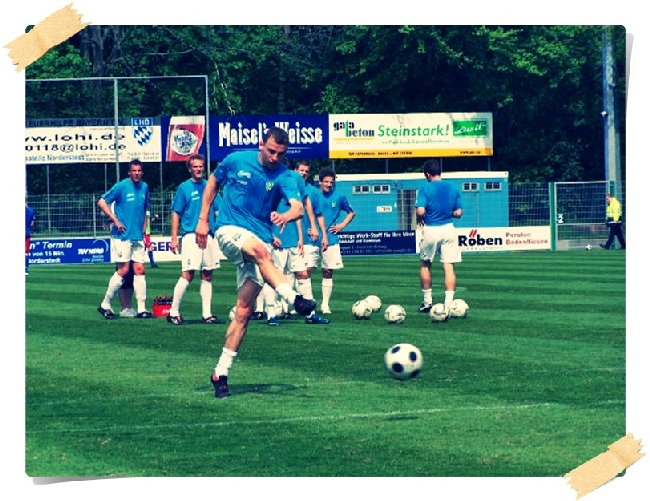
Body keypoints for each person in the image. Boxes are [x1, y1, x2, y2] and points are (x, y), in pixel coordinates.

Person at [194, 127, 317, 398]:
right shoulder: (236, 160)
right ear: (261, 144)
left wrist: (286, 215)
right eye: (271, 150)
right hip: (229, 230)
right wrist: (203, 220)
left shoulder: (286, 175)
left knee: (243, 313)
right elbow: (213, 183)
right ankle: (292, 298)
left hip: (260, 237)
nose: (274, 157)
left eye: (280, 154)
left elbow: (297, 206)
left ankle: (220, 373)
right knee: (261, 252)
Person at [167, 154, 225, 325]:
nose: (199, 169)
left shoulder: (210, 186)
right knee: (188, 274)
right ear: (190, 169)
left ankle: (207, 315)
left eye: (201, 166)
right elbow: (176, 212)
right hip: (191, 235)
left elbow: (219, 210)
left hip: (209, 236)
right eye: (195, 167)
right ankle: (173, 312)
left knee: (207, 274)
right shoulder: (184, 188)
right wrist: (174, 238)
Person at [96, 158, 153, 319]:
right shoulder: (121, 186)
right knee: (124, 270)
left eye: (139, 171)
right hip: (122, 236)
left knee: (140, 270)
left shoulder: (145, 187)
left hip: (137, 236)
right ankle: (105, 304)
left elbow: (145, 209)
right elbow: (101, 202)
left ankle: (141, 309)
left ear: (142, 172)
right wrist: (115, 220)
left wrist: (145, 231)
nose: (137, 173)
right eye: (134, 171)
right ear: (129, 172)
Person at [415, 159, 463, 318]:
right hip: (449, 229)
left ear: (428, 174)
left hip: (431, 229)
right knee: (448, 267)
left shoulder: (425, 188)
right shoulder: (453, 188)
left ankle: (427, 303)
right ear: (440, 172)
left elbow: (421, 212)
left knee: (425, 264)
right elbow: (458, 213)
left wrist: (419, 216)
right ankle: (448, 305)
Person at [315, 167, 355, 315]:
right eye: (326, 182)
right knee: (304, 271)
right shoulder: (312, 194)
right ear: (320, 182)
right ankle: (301, 305)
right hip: (311, 239)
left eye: (331, 182)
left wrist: (341, 226)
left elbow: (351, 213)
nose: (329, 184)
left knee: (327, 271)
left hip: (331, 239)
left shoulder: (339, 196)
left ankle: (325, 305)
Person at [25, 202, 36, 276]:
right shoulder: (31, 210)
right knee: (25, 253)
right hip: (26, 234)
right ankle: (25, 269)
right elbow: (32, 224)